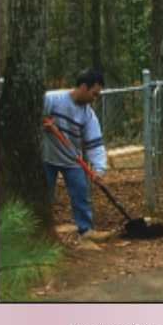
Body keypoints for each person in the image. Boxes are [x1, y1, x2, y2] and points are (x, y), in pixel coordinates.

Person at [43, 70, 109, 241]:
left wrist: (99, 169)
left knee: (80, 193)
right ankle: (42, 231)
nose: (96, 98)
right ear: (84, 86)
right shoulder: (51, 99)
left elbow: (95, 143)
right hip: (46, 158)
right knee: (45, 196)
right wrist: (44, 128)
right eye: (94, 93)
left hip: (72, 160)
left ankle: (85, 230)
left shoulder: (88, 115)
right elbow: (28, 119)